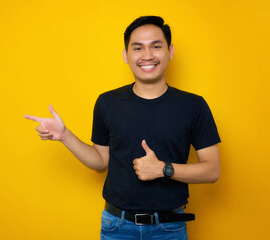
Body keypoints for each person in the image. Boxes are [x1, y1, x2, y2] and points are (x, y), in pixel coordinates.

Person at [25, 16, 221, 240]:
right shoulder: (108, 102)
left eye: (156, 46)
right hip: (116, 227)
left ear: (171, 51)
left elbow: (212, 170)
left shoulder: (193, 105)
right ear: (125, 55)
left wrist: (163, 169)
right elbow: (101, 162)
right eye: (138, 48)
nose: (147, 55)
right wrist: (64, 135)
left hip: (169, 229)